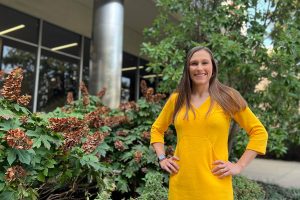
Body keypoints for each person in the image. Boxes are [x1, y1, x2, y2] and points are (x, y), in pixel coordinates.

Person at [150, 46, 268, 200]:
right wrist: (162, 158)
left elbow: (259, 132)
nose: (199, 68)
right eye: (194, 63)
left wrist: (239, 166)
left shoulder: (228, 97)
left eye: (204, 62)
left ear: (213, 67)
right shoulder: (177, 99)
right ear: (187, 68)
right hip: (181, 187)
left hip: (216, 188)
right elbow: (157, 129)